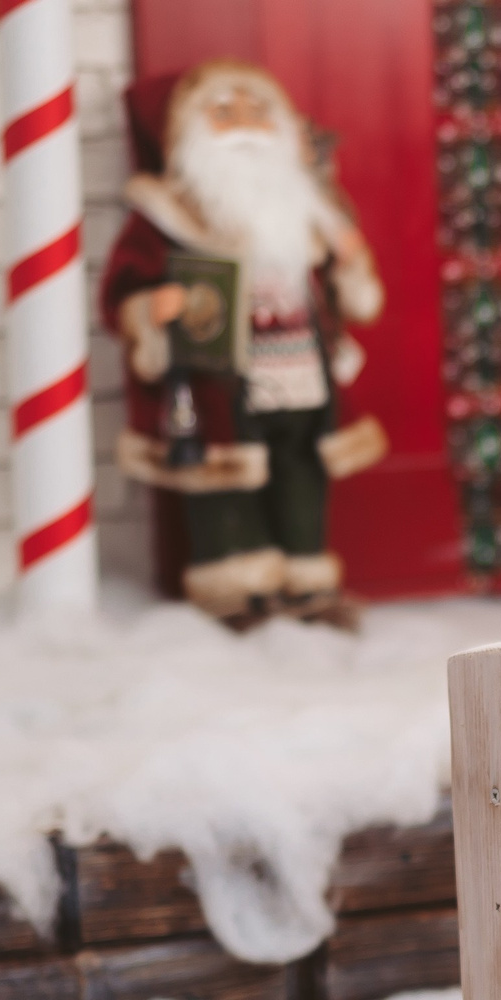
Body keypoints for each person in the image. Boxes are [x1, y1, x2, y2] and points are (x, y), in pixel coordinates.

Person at [102, 60, 389, 626]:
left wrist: (352, 264)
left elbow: (352, 296)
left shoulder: (311, 209)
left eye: (259, 113)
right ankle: (236, 588)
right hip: (220, 377)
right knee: (224, 475)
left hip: (304, 370)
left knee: (302, 468)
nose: (246, 127)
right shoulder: (169, 215)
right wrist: (151, 310)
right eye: (225, 113)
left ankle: (308, 581)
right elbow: (125, 293)